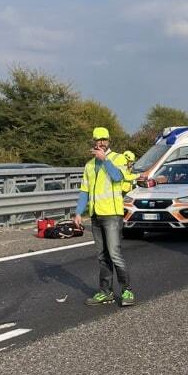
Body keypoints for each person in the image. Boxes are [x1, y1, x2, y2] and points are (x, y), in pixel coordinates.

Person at [74, 127, 138, 307]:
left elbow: (118, 177)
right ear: (93, 141)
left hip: (112, 214)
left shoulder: (118, 158)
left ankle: (127, 291)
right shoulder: (89, 165)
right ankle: (105, 292)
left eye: (104, 139)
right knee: (102, 256)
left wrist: (105, 160)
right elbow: (84, 191)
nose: (101, 142)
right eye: (98, 139)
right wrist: (79, 212)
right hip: (96, 215)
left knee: (115, 254)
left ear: (109, 141)